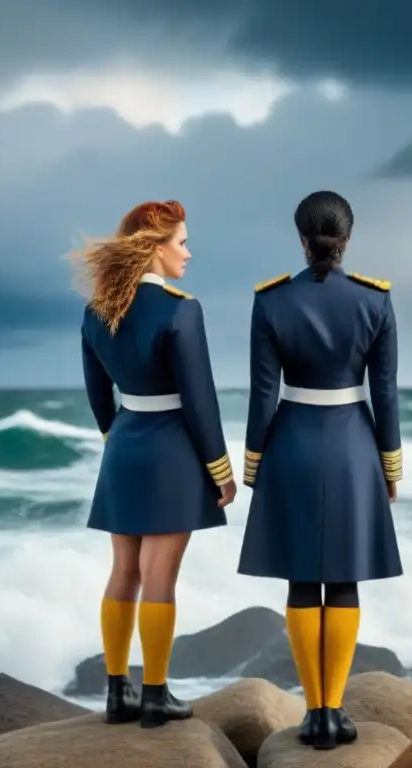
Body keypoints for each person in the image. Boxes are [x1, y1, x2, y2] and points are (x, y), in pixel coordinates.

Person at [237, 191, 403, 751]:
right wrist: (390, 462)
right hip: (355, 444)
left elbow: (264, 393)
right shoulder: (374, 301)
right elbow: (385, 391)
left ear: (301, 239)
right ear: (347, 239)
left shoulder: (271, 301)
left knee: (303, 579)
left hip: (292, 444)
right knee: (346, 578)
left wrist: (254, 461)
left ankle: (312, 714)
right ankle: (337, 711)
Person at [73, 200, 237, 729]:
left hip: (123, 444)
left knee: (123, 570)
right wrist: (219, 467)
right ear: (155, 246)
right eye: (182, 242)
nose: (188, 252)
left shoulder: (97, 310)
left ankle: (116, 692)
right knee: (159, 575)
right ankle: (155, 695)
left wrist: (116, 435)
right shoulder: (181, 309)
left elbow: (100, 395)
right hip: (171, 449)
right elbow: (200, 399)